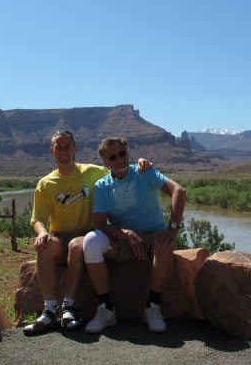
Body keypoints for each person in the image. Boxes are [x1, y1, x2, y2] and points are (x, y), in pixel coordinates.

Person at [23, 130, 151, 336]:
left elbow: (118, 169)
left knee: (77, 245)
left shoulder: (92, 172)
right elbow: (37, 218)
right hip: (61, 236)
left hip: (88, 235)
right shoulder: (46, 183)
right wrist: (42, 232)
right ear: (52, 151)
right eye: (59, 147)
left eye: (67, 147)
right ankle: (48, 311)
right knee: (44, 246)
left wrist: (141, 165)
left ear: (75, 149)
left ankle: (68, 308)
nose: (64, 151)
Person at [82, 137, 186, 333]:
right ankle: (106, 310)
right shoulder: (102, 186)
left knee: (165, 244)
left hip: (153, 236)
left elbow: (178, 191)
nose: (119, 159)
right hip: (123, 241)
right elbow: (98, 224)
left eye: (122, 154)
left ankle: (152, 308)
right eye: (112, 157)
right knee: (91, 241)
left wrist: (172, 228)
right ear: (105, 162)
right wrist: (126, 234)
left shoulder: (143, 172)